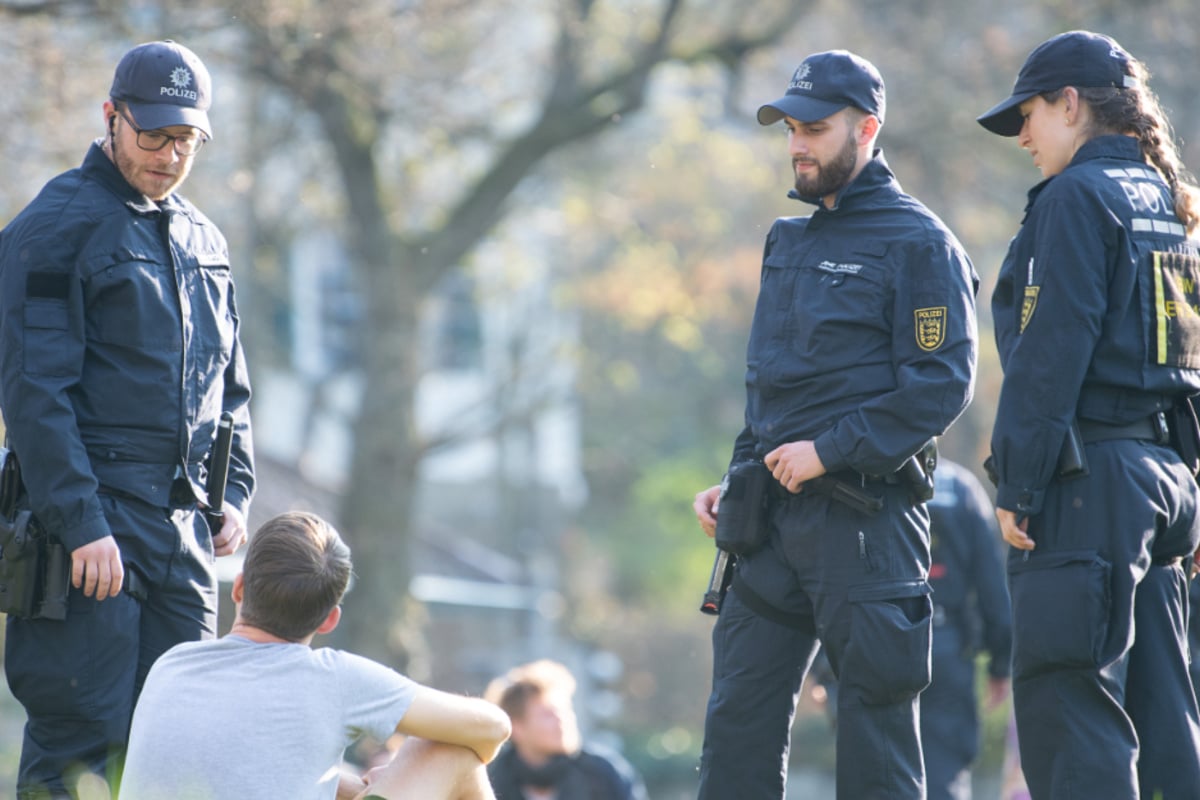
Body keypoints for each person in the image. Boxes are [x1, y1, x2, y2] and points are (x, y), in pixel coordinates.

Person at [692, 49, 978, 799]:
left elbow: (941, 384)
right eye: (789, 127)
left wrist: (827, 452)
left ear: (868, 128)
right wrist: (736, 476)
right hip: (769, 530)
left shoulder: (921, 244)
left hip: (867, 528)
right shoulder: (788, 242)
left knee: (876, 749)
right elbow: (773, 389)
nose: (796, 144)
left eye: (814, 129)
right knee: (734, 734)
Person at [0, 40, 255, 798]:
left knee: (179, 744)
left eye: (187, 140)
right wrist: (82, 524)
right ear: (112, 118)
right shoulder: (53, 230)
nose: (171, 155)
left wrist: (232, 494)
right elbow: (34, 394)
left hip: (181, 537)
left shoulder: (204, 239)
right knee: (83, 738)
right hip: (87, 531)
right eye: (154, 135)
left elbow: (230, 391)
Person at [977, 29, 1200, 799]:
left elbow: (1050, 358)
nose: (1025, 137)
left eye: (1030, 115)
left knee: (1071, 712)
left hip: (1087, 486)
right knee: (1166, 715)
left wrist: (1019, 484)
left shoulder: (1076, 198)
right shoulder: (1166, 200)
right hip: (1162, 483)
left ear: (1070, 104)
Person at [118, 510, 512, 800]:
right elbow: (494, 728)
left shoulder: (172, 663)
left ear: (238, 589)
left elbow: (244, 763)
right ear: (329, 620)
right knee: (448, 751)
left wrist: (350, 786)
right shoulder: (335, 679)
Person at [920, 459, 1011, 800]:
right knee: (945, 770)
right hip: (948, 646)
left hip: (881, 644)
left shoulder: (872, 475)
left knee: (879, 769)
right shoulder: (962, 488)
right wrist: (1000, 664)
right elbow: (992, 585)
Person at [484, 659, 647, 800]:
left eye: (565, 710)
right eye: (548, 714)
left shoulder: (604, 774)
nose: (562, 720)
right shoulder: (490, 782)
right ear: (516, 726)